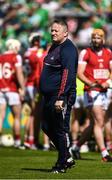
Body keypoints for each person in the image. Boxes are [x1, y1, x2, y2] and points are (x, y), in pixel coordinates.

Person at [40, 19, 78, 173]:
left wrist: (61, 97)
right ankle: (66, 155)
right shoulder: (54, 46)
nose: (53, 33)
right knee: (46, 127)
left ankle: (62, 164)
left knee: (59, 129)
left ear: (65, 33)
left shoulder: (68, 49)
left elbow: (67, 74)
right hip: (49, 96)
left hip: (60, 96)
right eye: (52, 30)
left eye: (56, 31)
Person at [77, 28, 112, 162]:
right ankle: (104, 154)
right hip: (91, 91)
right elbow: (80, 73)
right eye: (94, 38)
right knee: (100, 121)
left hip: (104, 92)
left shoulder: (109, 53)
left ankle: (75, 147)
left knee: (93, 124)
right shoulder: (85, 52)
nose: (96, 40)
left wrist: (108, 82)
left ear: (103, 39)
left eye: (98, 38)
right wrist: (90, 83)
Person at [0, 39, 25, 147]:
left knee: (0, 116)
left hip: (1, 89)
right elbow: (19, 74)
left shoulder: (1, 56)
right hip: (12, 90)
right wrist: (22, 87)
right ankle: (18, 141)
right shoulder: (16, 57)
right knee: (17, 116)